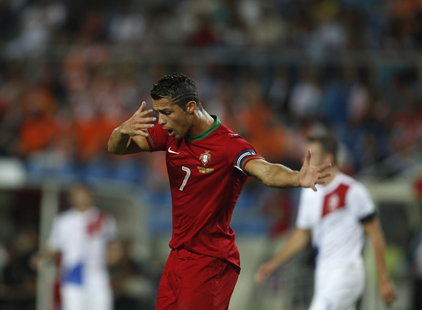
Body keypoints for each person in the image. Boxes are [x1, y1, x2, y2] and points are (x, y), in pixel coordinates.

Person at [107, 73, 331, 310]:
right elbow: (117, 149)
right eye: (158, 112)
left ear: (190, 107)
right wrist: (122, 130)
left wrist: (297, 177)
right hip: (178, 256)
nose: (161, 121)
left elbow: (266, 171)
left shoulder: (228, 145)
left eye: (167, 112)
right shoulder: (171, 133)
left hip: (209, 259)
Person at [256, 134, 398, 310]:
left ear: (329, 158)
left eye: (312, 155)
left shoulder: (352, 191)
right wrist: (274, 263)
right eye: (304, 155)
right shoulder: (309, 193)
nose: (305, 160)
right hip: (323, 272)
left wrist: (383, 280)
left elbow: (375, 234)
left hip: (346, 272)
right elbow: (302, 233)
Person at [43, 183, 118, 310]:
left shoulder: (104, 218)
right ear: (71, 198)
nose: (81, 198)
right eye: (77, 195)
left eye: (84, 195)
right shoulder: (63, 221)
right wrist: (43, 258)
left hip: (97, 274)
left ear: (91, 196)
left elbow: (113, 245)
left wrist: (114, 255)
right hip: (73, 274)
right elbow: (54, 247)